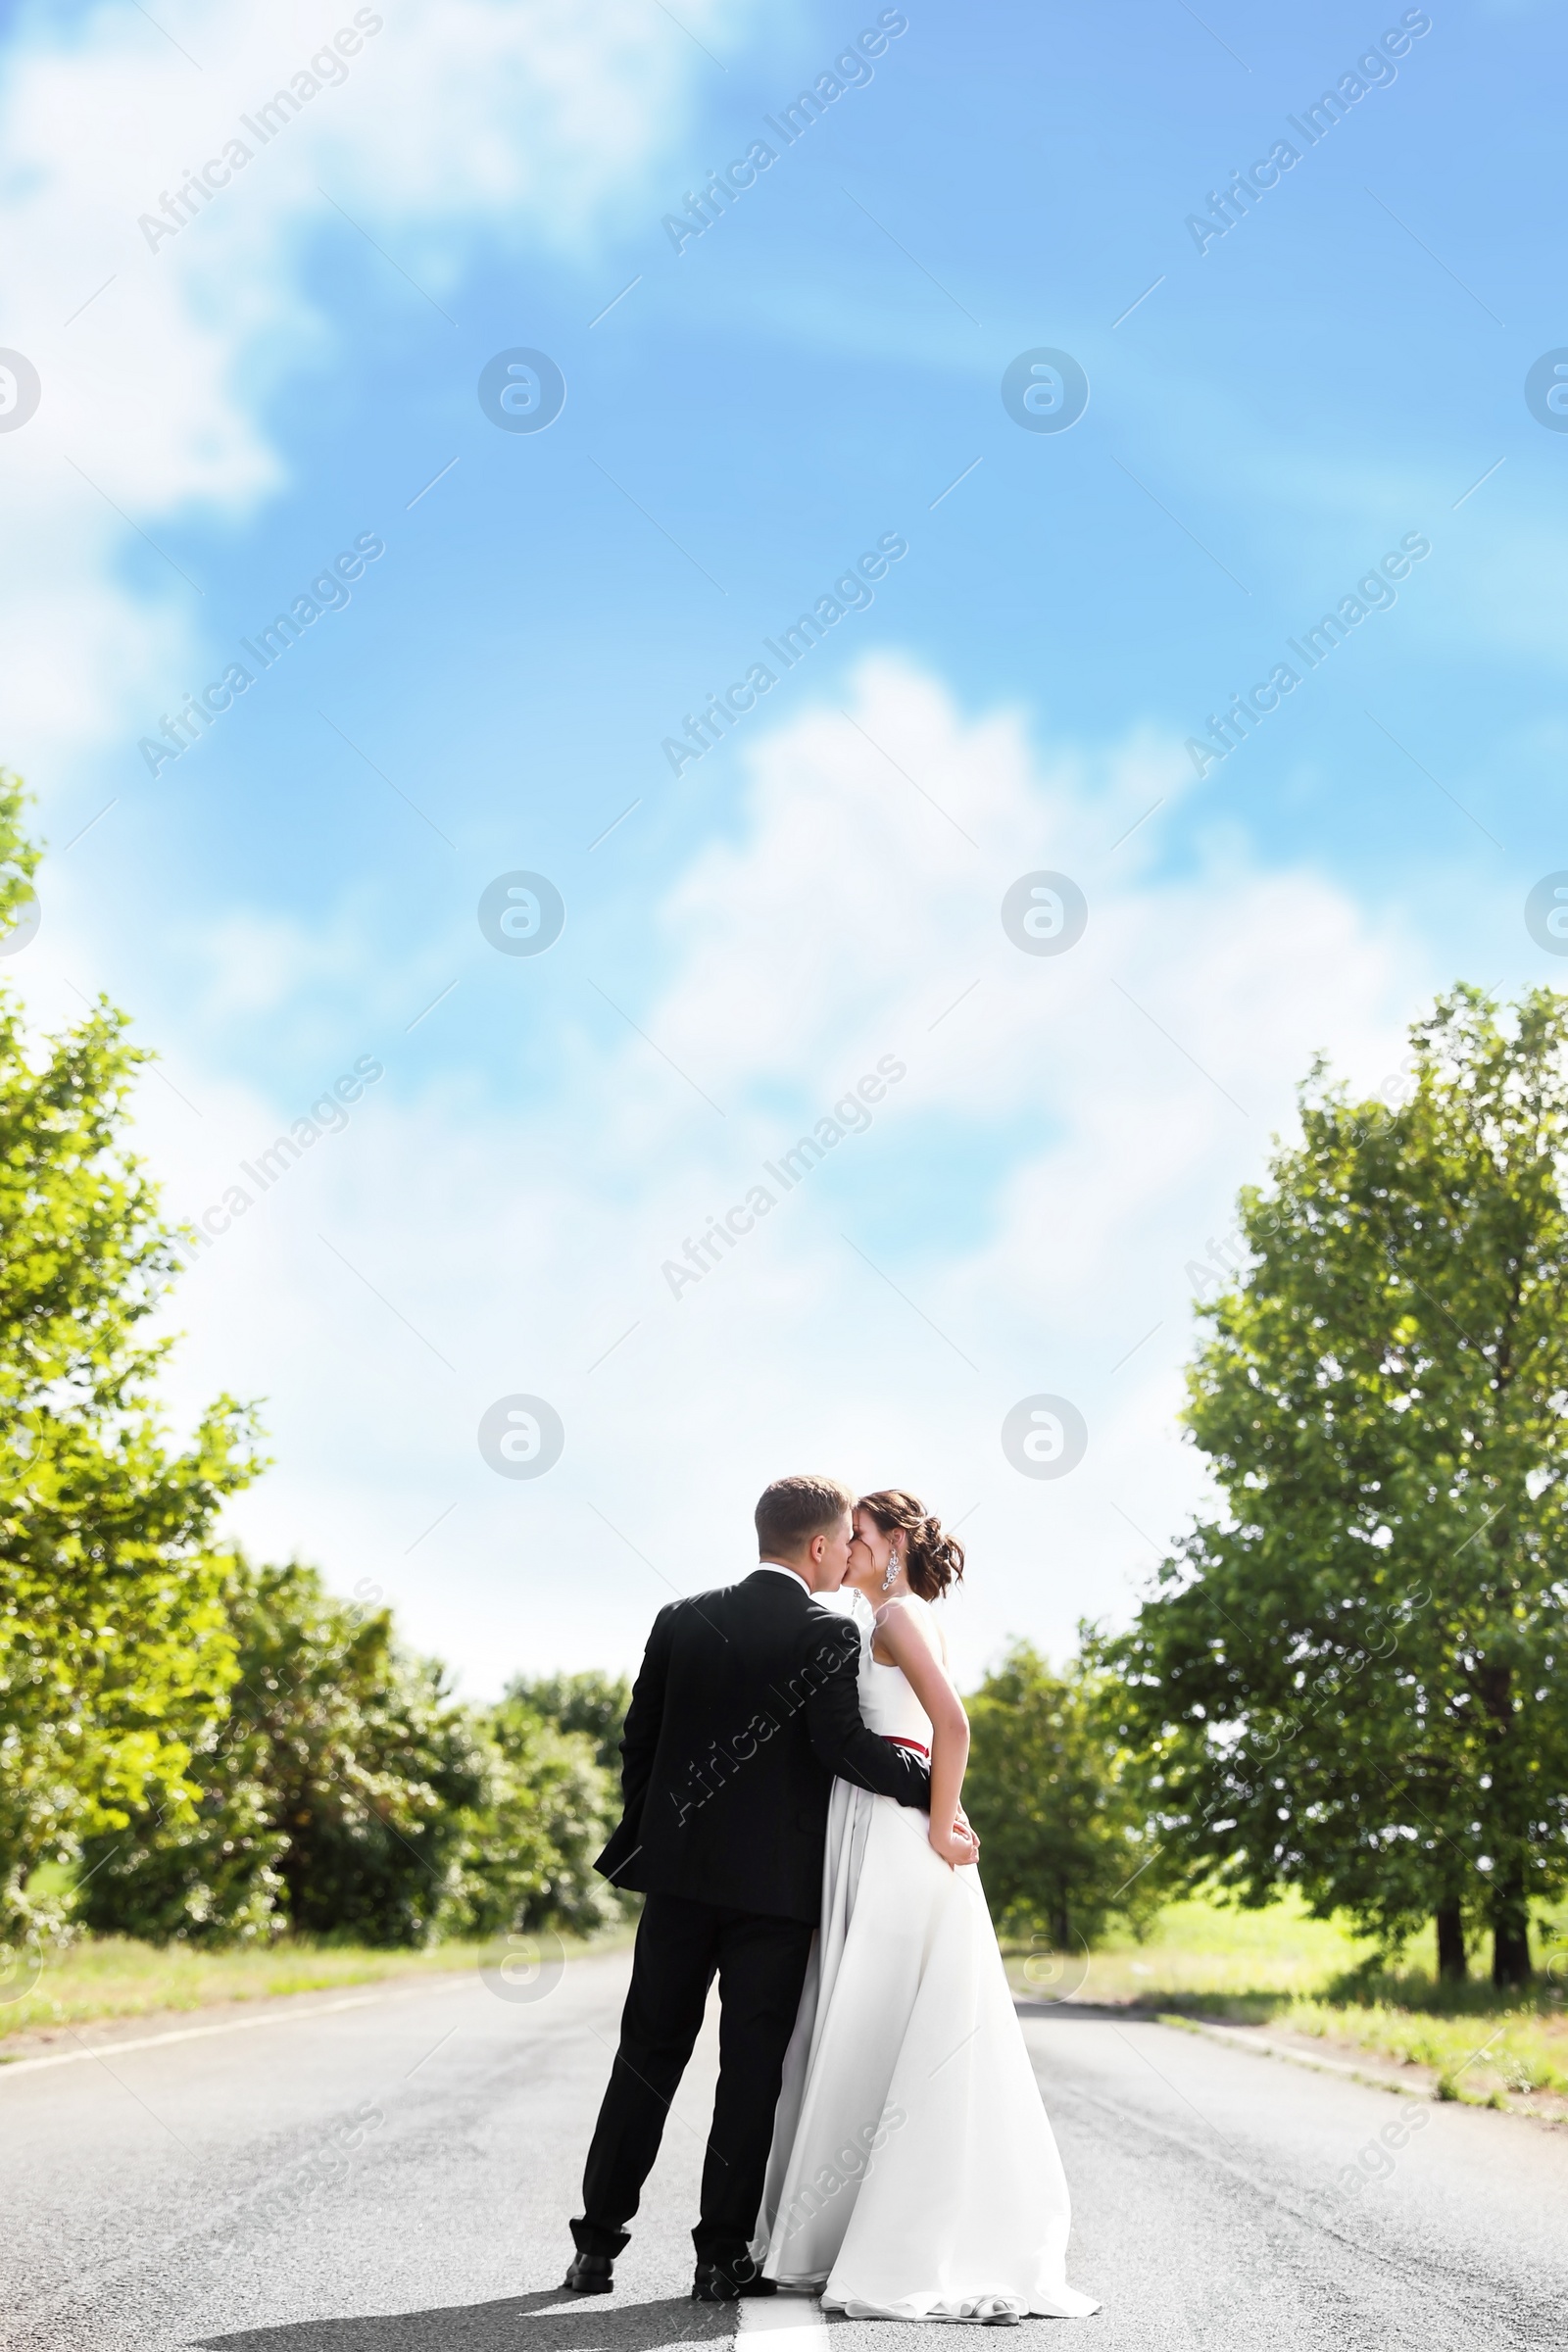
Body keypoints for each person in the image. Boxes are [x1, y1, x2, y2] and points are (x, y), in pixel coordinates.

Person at [564, 1473, 961, 2304]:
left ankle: (595, 2248)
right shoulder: (826, 1633)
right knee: (749, 2073)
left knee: (645, 2057)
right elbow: (842, 1749)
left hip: (676, 1883)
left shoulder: (680, 1618)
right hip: (775, 1896)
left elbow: (638, 1744)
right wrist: (933, 1789)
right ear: (820, 1547)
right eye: (842, 1543)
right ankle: (719, 2258)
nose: (847, 1555)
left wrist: (658, 1839)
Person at [753, 1489, 1101, 2325]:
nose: (849, 1547)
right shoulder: (896, 1619)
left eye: (861, 1536)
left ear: (896, 1541)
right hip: (877, 1822)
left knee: (875, 2015)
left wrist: (942, 1824)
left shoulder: (896, 1620)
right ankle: (844, 2227)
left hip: (896, 1832)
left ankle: (876, 2238)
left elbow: (953, 1723)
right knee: (880, 2018)